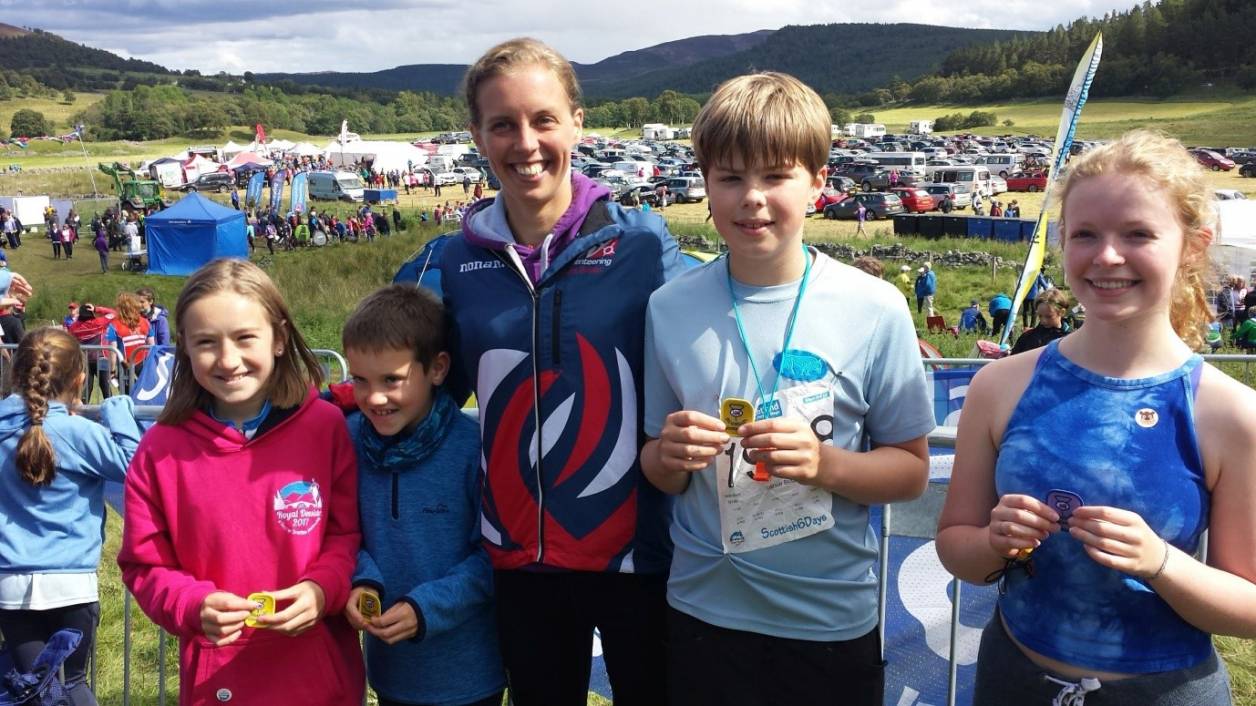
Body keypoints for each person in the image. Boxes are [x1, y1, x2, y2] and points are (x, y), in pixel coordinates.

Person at [641, 71, 933, 706]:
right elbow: (657, 469)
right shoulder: (669, 308)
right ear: (706, 185)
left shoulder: (875, 307)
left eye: (775, 176)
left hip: (828, 621)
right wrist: (667, 454)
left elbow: (910, 472)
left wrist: (823, 464)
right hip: (702, 614)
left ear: (818, 182)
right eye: (730, 178)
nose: (752, 198)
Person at [937, 130, 1256, 705]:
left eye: (1137, 234)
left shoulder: (1228, 412)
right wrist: (994, 541)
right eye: (1085, 234)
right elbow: (956, 546)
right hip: (1013, 678)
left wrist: (1160, 563)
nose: (1107, 256)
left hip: (1165, 691)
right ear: (1063, 241)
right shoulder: (1001, 384)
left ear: (1192, 245)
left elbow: (1250, 605)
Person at [440, 37, 686, 706]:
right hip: (520, 562)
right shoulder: (455, 262)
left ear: (578, 122)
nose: (526, 142)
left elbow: (721, 325)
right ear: (477, 135)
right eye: (503, 124)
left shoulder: (641, 242)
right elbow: (408, 374)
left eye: (544, 119)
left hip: (636, 558)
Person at [117, 259, 365, 704]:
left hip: (321, 676)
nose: (228, 360)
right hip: (220, 682)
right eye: (207, 343)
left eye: (244, 337)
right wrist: (192, 605)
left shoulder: (326, 428)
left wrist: (321, 588)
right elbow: (144, 565)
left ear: (279, 339)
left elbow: (346, 535)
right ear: (185, 350)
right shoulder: (159, 450)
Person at [340, 286, 505, 706]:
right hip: (389, 673)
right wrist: (362, 578)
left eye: (392, 380)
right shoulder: (347, 439)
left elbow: (494, 556)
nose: (373, 398)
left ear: (437, 368)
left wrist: (424, 608)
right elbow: (341, 530)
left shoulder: (475, 448)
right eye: (359, 379)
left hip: (471, 677)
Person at [0, 328, 141, 706]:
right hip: (72, 583)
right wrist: (118, 411)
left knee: (30, 687)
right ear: (80, 379)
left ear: (15, 372)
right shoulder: (79, 432)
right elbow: (136, 465)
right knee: (69, 684)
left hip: (10, 583)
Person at [105, 293, 150, 389]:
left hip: (125, 365)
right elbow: (152, 345)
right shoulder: (145, 322)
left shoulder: (114, 325)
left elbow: (113, 351)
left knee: (128, 396)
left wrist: (112, 371)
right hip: (145, 363)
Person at [1010, 287, 1070, 355]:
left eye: (1049, 316)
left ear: (1062, 312)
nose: (1043, 321)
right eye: (1040, 316)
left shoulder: (1069, 340)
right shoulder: (1027, 337)